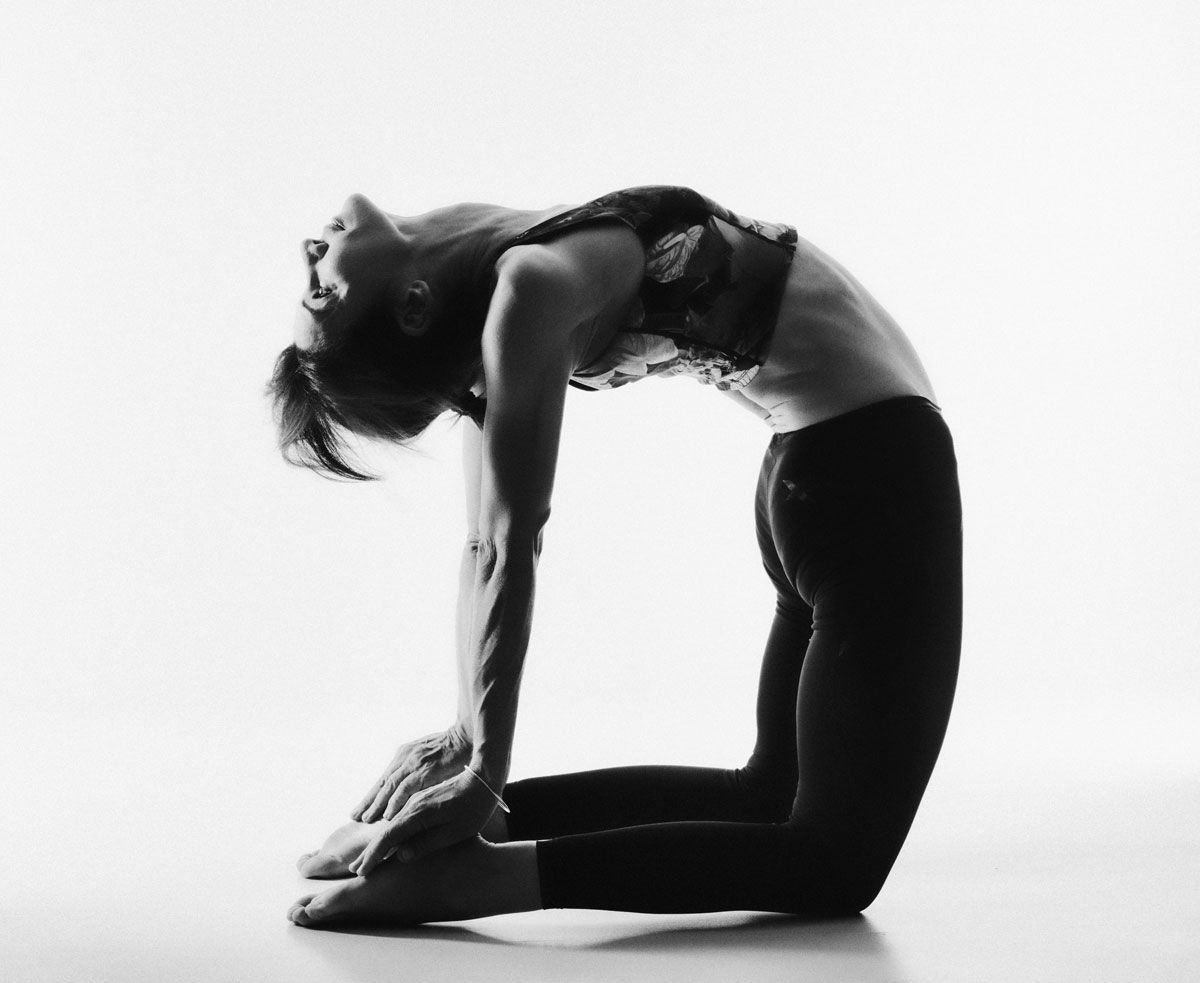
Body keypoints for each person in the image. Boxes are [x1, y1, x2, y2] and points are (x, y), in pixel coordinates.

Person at [269, 187, 962, 927]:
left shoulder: (494, 274)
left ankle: (458, 839)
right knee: (834, 861)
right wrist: (477, 760)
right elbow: (497, 543)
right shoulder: (526, 286)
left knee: (768, 795)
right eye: (323, 292)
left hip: (819, 474)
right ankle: (473, 879)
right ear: (411, 305)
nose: (309, 253)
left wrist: (477, 754)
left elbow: (491, 541)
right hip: (871, 475)